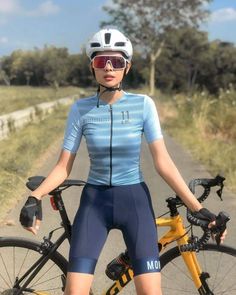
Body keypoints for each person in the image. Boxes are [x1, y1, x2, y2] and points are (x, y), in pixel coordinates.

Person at [19, 28, 226, 295]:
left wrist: (197, 208)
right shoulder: (80, 109)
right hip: (94, 204)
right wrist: (34, 197)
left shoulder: (143, 105)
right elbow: (63, 166)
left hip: (135, 202)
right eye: (100, 61)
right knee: (74, 292)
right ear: (92, 66)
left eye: (116, 61)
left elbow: (163, 163)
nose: (108, 67)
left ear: (126, 67)